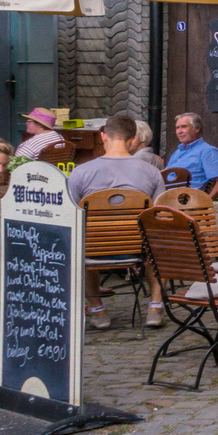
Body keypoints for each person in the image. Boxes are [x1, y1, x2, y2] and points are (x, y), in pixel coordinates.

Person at [67, 115, 166, 329]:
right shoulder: (152, 172)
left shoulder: (80, 172)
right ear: (133, 140)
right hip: (136, 249)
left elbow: (70, 216)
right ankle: (155, 307)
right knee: (158, 241)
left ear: (103, 136)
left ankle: (98, 310)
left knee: (80, 240)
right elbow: (159, 214)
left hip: (93, 251)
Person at [165, 113, 218, 198]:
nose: (179, 131)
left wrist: (204, 202)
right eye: (177, 128)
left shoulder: (208, 151)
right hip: (165, 195)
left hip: (183, 200)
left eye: (184, 127)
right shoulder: (178, 152)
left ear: (197, 128)